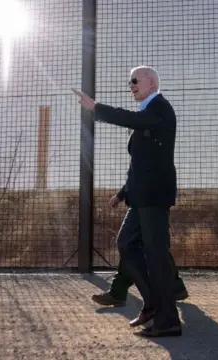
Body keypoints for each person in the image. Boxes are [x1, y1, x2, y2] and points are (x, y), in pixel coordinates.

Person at [72, 65, 182, 338]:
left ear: (152, 82)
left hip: (154, 196)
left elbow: (133, 120)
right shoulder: (148, 112)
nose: (130, 85)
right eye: (129, 82)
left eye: (135, 80)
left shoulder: (160, 108)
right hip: (140, 197)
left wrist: (97, 108)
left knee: (156, 255)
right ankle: (153, 304)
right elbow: (141, 164)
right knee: (126, 244)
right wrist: (122, 193)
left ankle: (168, 319)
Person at [91, 185, 188, 307]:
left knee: (128, 243)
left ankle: (119, 293)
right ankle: (175, 288)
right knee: (147, 245)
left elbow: (140, 173)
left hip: (145, 200)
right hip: (154, 199)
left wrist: (120, 195)